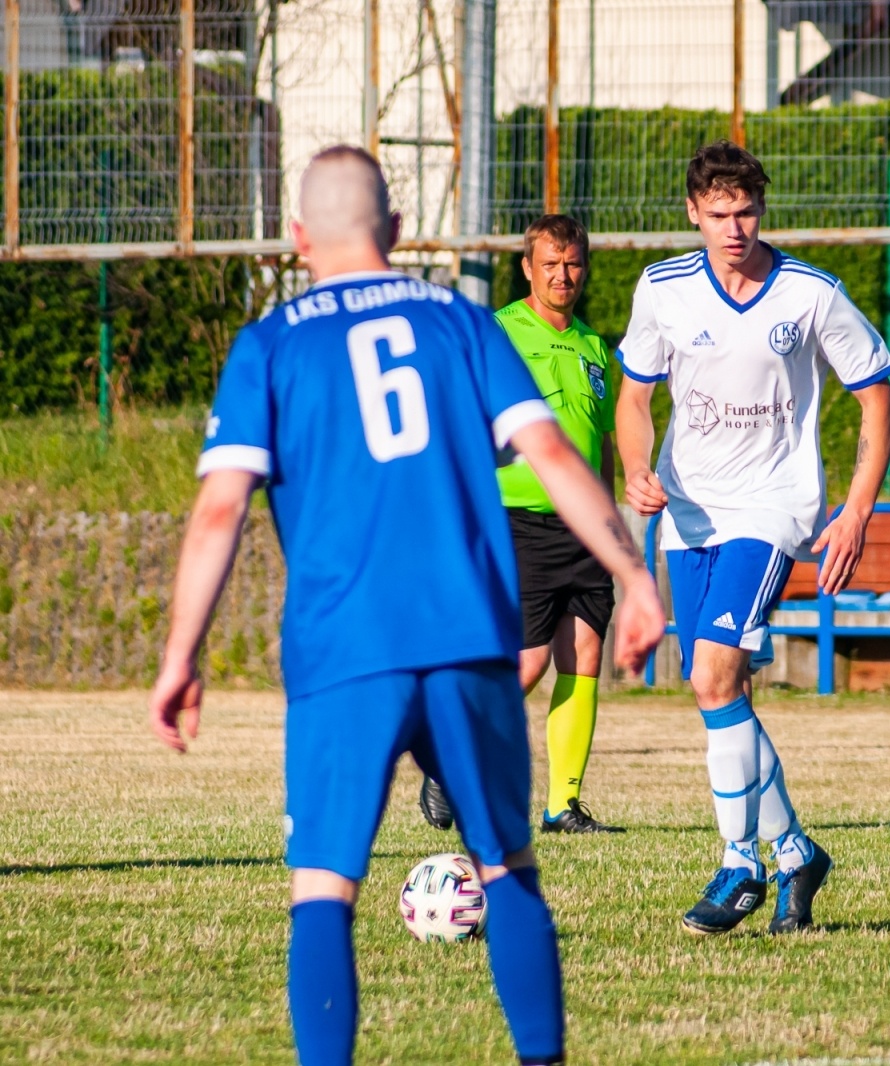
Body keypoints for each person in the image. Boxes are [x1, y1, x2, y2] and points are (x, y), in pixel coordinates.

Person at [146, 146, 664, 1066]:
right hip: (467, 637)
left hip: (345, 650)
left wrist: (179, 655)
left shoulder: (270, 343)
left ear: (300, 238)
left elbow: (221, 506)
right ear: (392, 232)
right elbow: (550, 453)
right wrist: (631, 574)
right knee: (508, 869)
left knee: (323, 890)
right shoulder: (461, 323)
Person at [614, 141, 890, 935]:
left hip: (772, 509)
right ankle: (797, 854)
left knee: (710, 675)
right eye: (718, 215)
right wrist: (637, 466)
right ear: (693, 214)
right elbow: (634, 399)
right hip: (688, 513)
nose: (734, 228)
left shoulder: (810, 294)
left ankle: (739, 864)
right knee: (719, 693)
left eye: (746, 213)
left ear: (760, 212)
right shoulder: (662, 289)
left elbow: (877, 397)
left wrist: (856, 509)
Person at [419, 214, 626, 834]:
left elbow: (604, 440)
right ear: (527, 268)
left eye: (574, 263)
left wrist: (609, 519)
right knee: (528, 663)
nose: (564, 275)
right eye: (551, 264)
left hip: (585, 527)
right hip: (519, 520)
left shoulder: (594, 345)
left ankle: (563, 804)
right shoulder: (498, 333)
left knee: (584, 654)